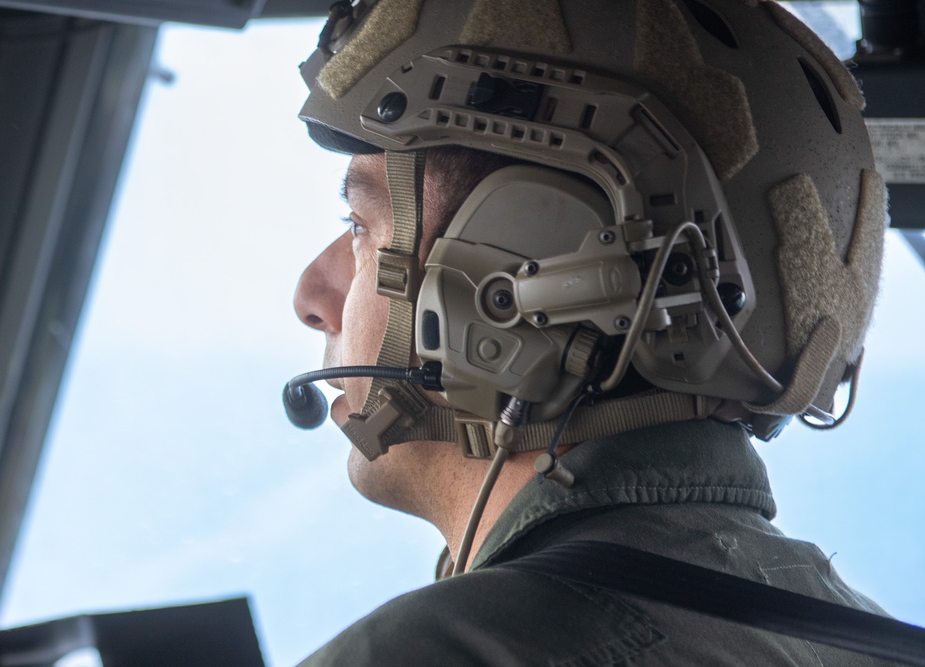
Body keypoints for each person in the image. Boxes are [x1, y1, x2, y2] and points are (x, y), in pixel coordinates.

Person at [288, 0, 894, 663]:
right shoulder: (878, 642)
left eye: (360, 226)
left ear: (519, 270)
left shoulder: (440, 650)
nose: (312, 295)